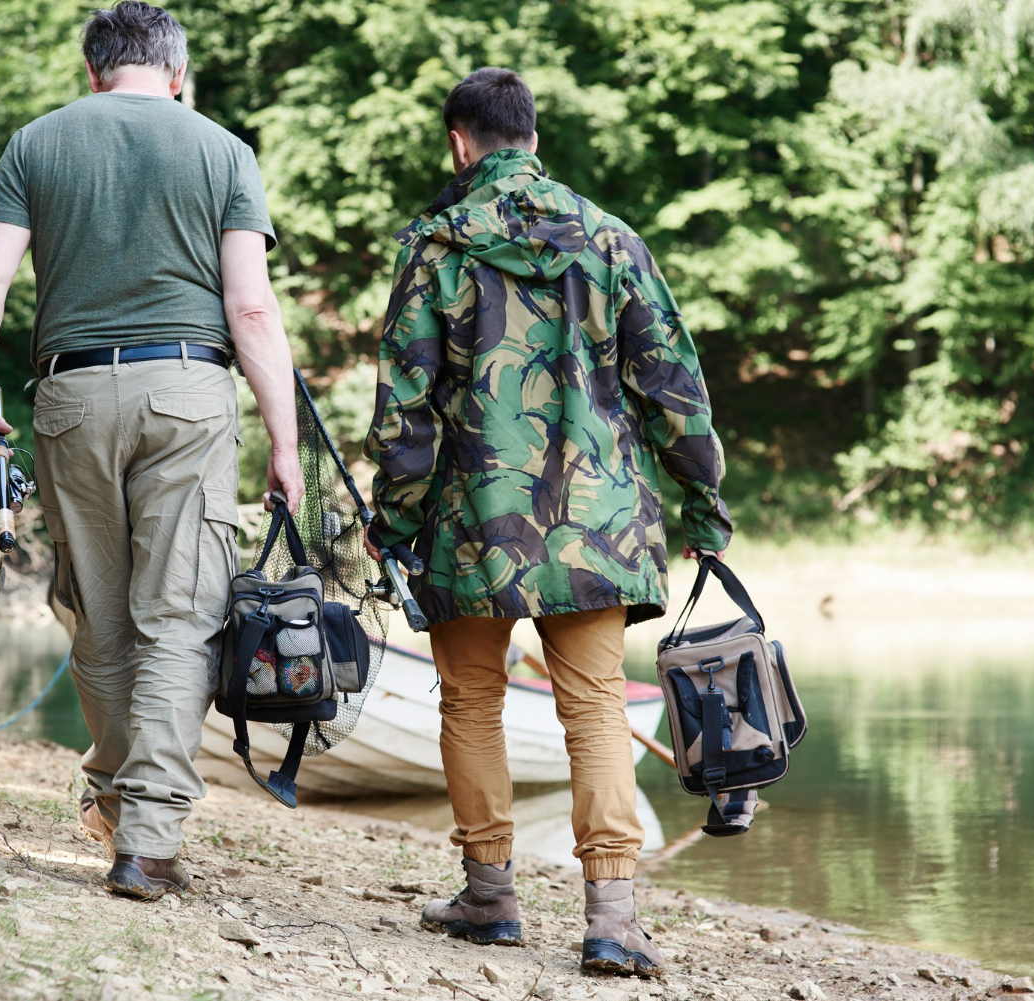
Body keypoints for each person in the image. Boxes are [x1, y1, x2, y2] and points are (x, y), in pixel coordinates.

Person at [364, 67, 731, 977]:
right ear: (533, 136)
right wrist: (704, 503)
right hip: (596, 524)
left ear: (461, 142)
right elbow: (673, 386)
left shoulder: (436, 246)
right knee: (596, 709)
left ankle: (489, 897)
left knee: (472, 702)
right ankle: (612, 917)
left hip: (470, 521)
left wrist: (394, 519)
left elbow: (406, 404)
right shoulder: (611, 240)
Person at [0, 1, 302, 901]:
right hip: (188, 392)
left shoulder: (38, 142)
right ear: (177, 73)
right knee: (180, 616)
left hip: (69, 394)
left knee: (96, 610)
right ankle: (146, 838)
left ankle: (110, 800)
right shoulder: (223, 150)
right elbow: (252, 308)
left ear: (92, 69)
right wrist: (285, 442)